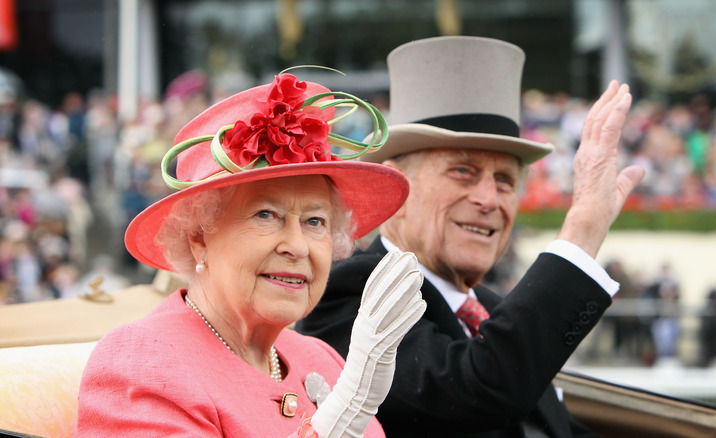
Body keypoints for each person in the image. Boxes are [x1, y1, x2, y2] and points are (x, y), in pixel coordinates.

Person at [297, 36, 645, 437]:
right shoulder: (352, 292)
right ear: (399, 186)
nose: (488, 199)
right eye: (462, 171)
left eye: (504, 180)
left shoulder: (493, 312)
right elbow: (476, 392)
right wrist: (583, 229)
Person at [75, 72, 428, 437]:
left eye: (315, 221)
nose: (297, 246)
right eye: (266, 215)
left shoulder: (321, 358)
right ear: (199, 236)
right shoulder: (141, 362)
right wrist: (339, 420)